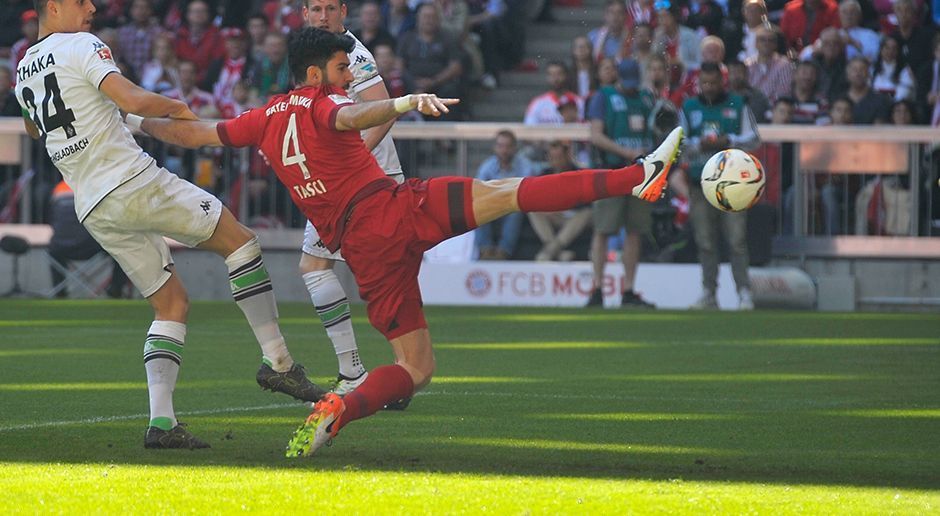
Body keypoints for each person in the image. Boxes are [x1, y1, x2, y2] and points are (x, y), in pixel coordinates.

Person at [133, 27, 684, 457]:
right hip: (394, 212)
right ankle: (638, 176)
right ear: (313, 73)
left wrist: (136, 121)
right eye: (340, 67)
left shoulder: (261, 117)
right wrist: (401, 103)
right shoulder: (320, 102)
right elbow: (350, 114)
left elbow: (195, 131)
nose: (346, 75)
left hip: (361, 250)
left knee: (415, 368)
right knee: (510, 191)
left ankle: (341, 408)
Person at [16, 0, 326, 450]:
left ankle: (161, 423)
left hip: (92, 204)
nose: (93, 7)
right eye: (82, 1)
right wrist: (180, 107)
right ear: (54, 6)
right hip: (130, 181)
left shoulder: (25, 65)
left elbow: (33, 128)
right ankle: (279, 364)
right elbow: (133, 99)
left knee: (172, 305)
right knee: (240, 244)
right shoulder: (82, 44)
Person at [301, 0, 411, 400]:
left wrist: (353, 158)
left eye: (331, 8)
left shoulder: (353, 52)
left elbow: (383, 111)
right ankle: (357, 372)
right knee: (315, 265)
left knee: (381, 279)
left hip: (368, 177)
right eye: (317, 8)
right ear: (305, 13)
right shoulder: (309, 54)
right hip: (341, 179)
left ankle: (395, 375)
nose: (324, 15)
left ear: (344, 12)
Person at [680, 62, 760, 310]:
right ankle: (709, 292)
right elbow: (679, 142)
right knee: (705, 241)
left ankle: (744, 291)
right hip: (700, 183)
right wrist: (697, 144)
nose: (709, 87)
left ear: (722, 81)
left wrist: (730, 140)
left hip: (733, 183)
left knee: (736, 240)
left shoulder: (738, 103)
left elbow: (754, 137)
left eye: (714, 82)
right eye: (705, 83)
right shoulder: (689, 106)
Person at [584, 59, 656, 309]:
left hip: (640, 172)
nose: (631, 87)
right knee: (603, 229)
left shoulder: (647, 98)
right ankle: (597, 287)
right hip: (612, 169)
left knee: (635, 230)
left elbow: (656, 130)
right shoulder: (603, 97)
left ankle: (628, 289)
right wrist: (624, 151)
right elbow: (595, 135)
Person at [527, 141, 593, 261]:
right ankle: (559, 253)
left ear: (567, 155)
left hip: (573, 216)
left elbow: (586, 203)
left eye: (558, 157)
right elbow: (536, 199)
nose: (555, 161)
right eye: (552, 157)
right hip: (554, 215)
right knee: (532, 211)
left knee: (586, 213)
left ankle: (551, 250)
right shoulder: (544, 175)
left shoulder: (579, 173)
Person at [474, 130, 534, 259]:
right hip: (493, 205)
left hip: (514, 204)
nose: (504, 150)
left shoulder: (525, 166)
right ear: (495, 148)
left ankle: (503, 252)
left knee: (515, 210)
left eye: (508, 146)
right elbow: (477, 191)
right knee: (477, 208)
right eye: (501, 146)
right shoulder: (487, 166)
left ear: (514, 148)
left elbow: (527, 191)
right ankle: (485, 251)